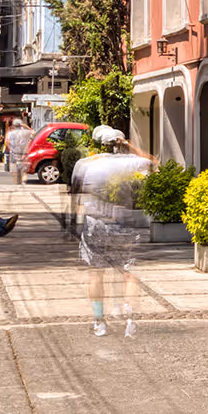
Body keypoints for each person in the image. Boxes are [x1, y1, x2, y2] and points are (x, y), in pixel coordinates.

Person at [70, 125, 154, 337]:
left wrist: (75, 222)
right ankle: (130, 321)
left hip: (95, 224)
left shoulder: (86, 164)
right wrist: (129, 146)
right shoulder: (133, 162)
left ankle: (99, 322)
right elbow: (155, 164)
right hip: (125, 223)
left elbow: (75, 193)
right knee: (129, 272)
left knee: (96, 273)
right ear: (121, 143)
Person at [4, 119, 34, 184]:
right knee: (24, 168)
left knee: (15, 167)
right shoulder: (27, 132)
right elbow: (34, 133)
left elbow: (7, 142)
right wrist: (27, 127)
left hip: (14, 152)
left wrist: (10, 148)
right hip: (24, 152)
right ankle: (23, 181)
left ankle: (17, 181)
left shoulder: (10, 133)